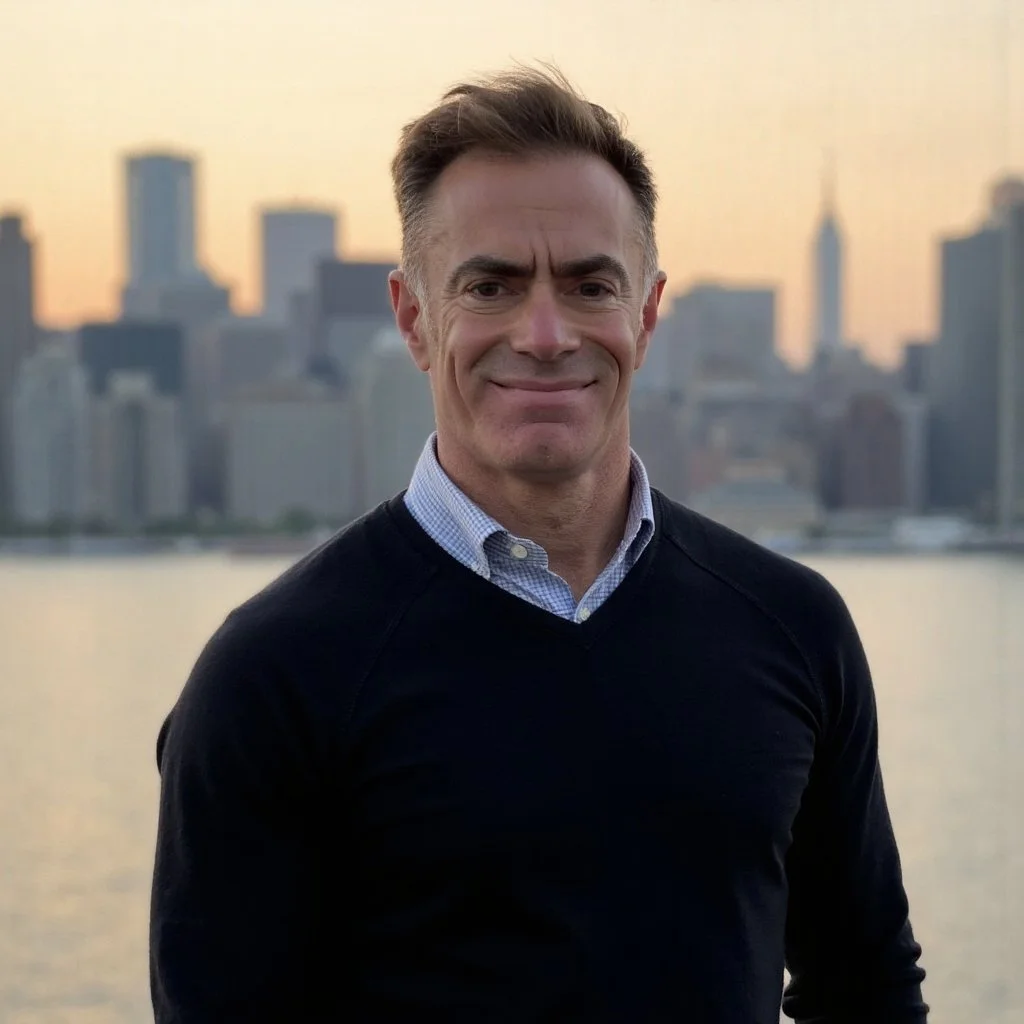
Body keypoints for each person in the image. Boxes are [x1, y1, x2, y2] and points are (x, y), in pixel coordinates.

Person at [150, 66, 928, 1022]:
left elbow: (869, 988)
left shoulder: (794, 628)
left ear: (646, 314)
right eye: (491, 286)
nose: (548, 333)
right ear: (414, 319)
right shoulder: (272, 674)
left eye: (592, 285)